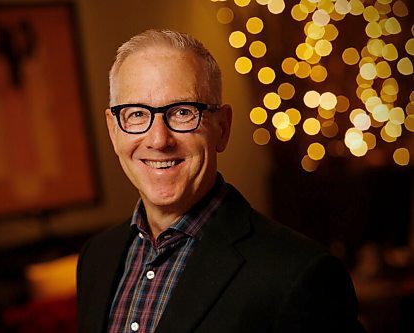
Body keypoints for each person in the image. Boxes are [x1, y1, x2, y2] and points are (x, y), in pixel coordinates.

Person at [77, 29, 365, 333]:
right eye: (136, 114)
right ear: (113, 130)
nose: (159, 139)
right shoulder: (97, 258)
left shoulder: (299, 274)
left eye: (182, 112)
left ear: (222, 127)